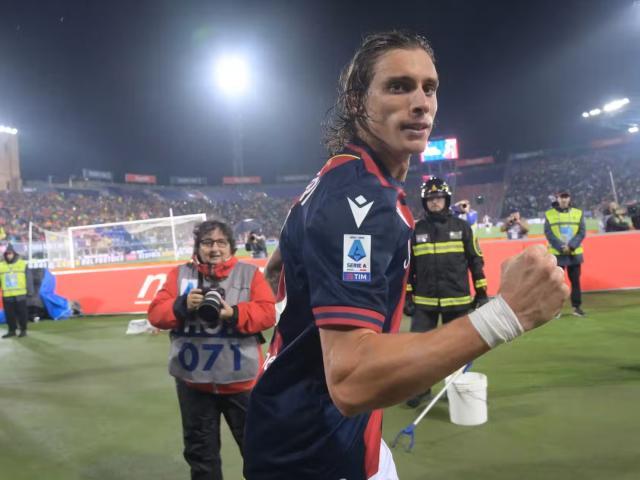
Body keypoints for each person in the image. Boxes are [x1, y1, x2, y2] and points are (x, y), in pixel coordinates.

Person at [243, 31, 568, 480]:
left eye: (429, 88)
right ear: (357, 102)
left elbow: (279, 265)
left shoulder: (342, 179)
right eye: (398, 86)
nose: (421, 103)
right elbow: (351, 380)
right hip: (314, 452)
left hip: (322, 430)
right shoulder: (360, 200)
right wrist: (508, 314)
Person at [148, 220, 276, 480]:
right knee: (201, 458)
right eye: (207, 243)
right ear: (198, 247)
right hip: (194, 385)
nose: (214, 248)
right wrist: (181, 305)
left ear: (231, 247)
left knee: (259, 454)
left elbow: (267, 314)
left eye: (221, 242)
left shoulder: (249, 274)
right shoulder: (179, 275)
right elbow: (156, 314)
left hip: (242, 384)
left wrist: (234, 313)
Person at [403, 176, 488, 407]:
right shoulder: (416, 231)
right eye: (430, 198)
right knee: (419, 350)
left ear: (447, 200)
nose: (435, 202)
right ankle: (420, 389)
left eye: (439, 197)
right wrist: (408, 296)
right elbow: (408, 269)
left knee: (456, 351)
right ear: (425, 202)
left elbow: (476, 262)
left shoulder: (462, 228)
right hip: (424, 303)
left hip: (458, 301)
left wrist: (482, 294)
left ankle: (456, 389)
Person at [544, 191, 586, 317]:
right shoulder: (549, 214)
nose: (564, 199)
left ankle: (576, 307)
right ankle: (556, 309)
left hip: (574, 253)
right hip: (558, 254)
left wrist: (571, 246)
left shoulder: (578, 213)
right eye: (561, 197)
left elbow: (582, 232)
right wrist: (562, 247)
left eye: (566, 197)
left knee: (575, 282)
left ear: (569, 198)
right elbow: (548, 233)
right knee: (556, 283)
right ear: (557, 198)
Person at [1, 244, 33, 338]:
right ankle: (12, 331)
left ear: (14, 254)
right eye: (7, 254)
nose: (8, 255)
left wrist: (30, 291)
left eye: (10, 253)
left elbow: (28, 278)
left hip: (20, 295)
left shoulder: (22, 264)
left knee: (22, 314)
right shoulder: (1, 266)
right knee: (9, 315)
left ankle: (23, 330)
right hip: (7, 295)